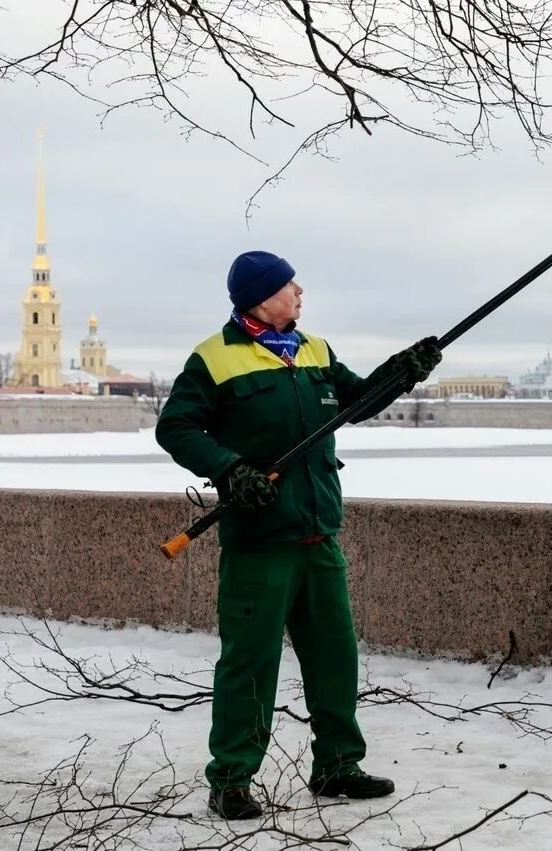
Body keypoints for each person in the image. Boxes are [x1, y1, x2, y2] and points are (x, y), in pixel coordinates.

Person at [156, 250, 442, 819]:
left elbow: (357, 403)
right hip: (260, 545)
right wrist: (231, 468)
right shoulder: (214, 359)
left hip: (318, 535)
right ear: (261, 296)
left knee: (335, 656)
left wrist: (403, 369)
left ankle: (337, 766)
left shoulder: (314, 350)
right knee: (249, 662)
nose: (300, 291)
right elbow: (177, 427)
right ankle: (232, 778)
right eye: (290, 285)